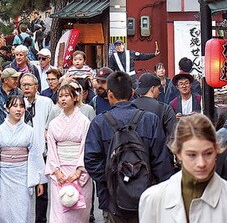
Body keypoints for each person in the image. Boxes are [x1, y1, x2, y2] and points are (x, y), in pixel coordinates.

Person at [84, 71, 173, 223]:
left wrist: (112, 178)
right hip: (146, 196)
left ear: (110, 94)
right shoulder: (150, 120)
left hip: (112, 199)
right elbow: (161, 161)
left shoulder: (99, 122)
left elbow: (90, 160)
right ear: (132, 92)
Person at [138, 113, 227, 223]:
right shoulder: (152, 200)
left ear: (216, 150)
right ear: (178, 153)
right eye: (192, 155)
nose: (201, 163)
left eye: (208, 153)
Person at [0, 95, 46, 223]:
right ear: (7, 108)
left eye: (21, 106)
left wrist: (39, 180)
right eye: (15, 106)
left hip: (23, 175)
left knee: (22, 211)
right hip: (3, 176)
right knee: (3, 213)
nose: (18, 109)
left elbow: (35, 156)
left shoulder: (29, 131)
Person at [45, 82, 92, 223]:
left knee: (78, 213)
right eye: (60, 96)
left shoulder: (84, 121)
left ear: (75, 98)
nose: (63, 99)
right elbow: (51, 149)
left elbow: (86, 147)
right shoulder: (54, 123)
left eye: (67, 96)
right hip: (59, 170)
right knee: (59, 215)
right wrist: (57, 171)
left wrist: (78, 172)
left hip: (79, 170)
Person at [19, 72, 53, 223]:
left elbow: (50, 126)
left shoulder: (46, 102)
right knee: (22, 191)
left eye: (29, 85)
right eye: (23, 85)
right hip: (21, 153)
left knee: (41, 192)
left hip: (41, 151)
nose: (26, 88)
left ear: (36, 87)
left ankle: (41, 220)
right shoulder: (17, 103)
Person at [132, 73, 178, 142]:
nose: (159, 91)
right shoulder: (164, 109)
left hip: (134, 150)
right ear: (152, 89)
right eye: (158, 88)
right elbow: (174, 134)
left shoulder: (131, 106)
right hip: (158, 150)